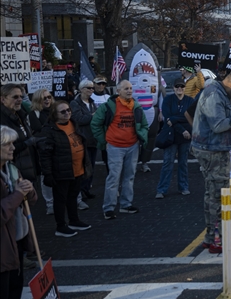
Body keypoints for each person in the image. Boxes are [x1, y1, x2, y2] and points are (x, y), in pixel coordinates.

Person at [191, 71, 231, 253]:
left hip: (215, 148)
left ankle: (211, 236)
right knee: (219, 195)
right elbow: (218, 125)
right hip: (212, 150)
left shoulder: (219, 93)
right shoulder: (214, 95)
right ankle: (218, 239)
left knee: (213, 192)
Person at [0, 125, 39, 299]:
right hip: (3, 248)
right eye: (7, 144)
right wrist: (16, 194)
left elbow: (27, 200)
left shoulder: (10, 169)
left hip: (16, 243)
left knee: (12, 298)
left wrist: (30, 191)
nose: (13, 148)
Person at [91, 80, 149, 220]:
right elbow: (95, 124)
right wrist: (104, 141)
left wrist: (142, 137)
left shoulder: (136, 106)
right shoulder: (108, 107)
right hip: (115, 146)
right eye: (126, 88)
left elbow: (144, 125)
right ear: (118, 91)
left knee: (129, 177)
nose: (129, 91)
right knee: (114, 178)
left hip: (132, 146)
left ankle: (126, 204)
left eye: (130, 88)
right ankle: (109, 208)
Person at [39, 101, 93, 237]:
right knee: (60, 199)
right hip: (61, 170)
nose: (67, 113)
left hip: (77, 168)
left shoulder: (74, 124)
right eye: (63, 111)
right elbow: (45, 154)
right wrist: (48, 173)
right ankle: (61, 226)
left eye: (68, 110)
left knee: (73, 196)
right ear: (54, 114)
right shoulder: (50, 130)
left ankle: (74, 220)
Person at [156, 81, 194, 199]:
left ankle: (183, 187)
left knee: (183, 163)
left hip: (185, 136)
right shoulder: (168, 99)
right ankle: (161, 189)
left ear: (184, 87)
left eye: (182, 86)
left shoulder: (190, 100)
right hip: (172, 135)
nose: (179, 88)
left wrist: (174, 118)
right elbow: (167, 118)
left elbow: (190, 117)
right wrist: (182, 129)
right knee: (168, 162)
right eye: (177, 86)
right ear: (173, 87)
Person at [0, 85, 38, 184]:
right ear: (3, 99)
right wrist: (25, 144)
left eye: (21, 96)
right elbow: (3, 147)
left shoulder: (21, 114)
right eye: (15, 97)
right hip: (12, 172)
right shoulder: (2, 119)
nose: (20, 99)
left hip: (28, 167)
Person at [71, 79, 98, 200]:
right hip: (82, 139)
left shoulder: (93, 102)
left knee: (91, 165)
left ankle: (86, 189)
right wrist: (92, 116)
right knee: (82, 166)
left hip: (93, 138)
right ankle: (80, 191)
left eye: (92, 88)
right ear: (81, 89)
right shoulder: (75, 103)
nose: (91, 90)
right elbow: (78, 119)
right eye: (88, 88)